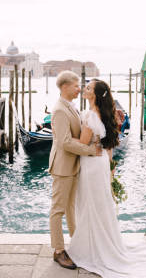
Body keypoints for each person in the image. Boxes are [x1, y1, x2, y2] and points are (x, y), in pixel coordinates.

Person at [67, 79, 146, 277]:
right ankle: (100, 243)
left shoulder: (90, 116)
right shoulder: (106, 115)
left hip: (91, 164)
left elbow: (83, 142)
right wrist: (111, 170)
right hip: (102, 162)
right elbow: (109, 147)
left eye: (88, 88)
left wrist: (64, 138)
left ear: (94, 95)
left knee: (90, 204)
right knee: (101, 204)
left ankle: (90, 248)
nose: (84, 90)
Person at [49, 70, 102, 269]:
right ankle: (58, 251)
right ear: (65, 87)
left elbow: (83, 126)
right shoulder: (60, 110)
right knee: (58, 209)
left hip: (73, 165)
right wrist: (90, 151)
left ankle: (76, 244)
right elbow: (64, 142)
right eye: (76, 86)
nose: (79, 89)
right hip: (63, 165)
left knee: (71, 208)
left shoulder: (70, 106)